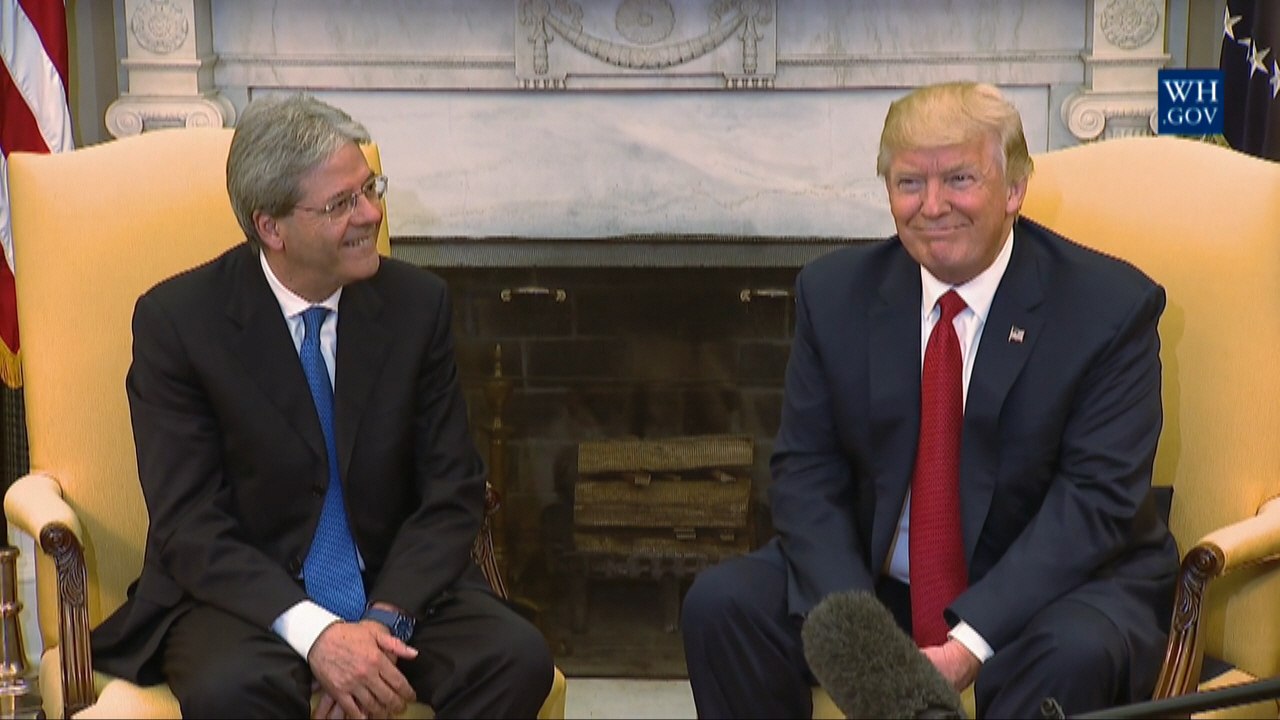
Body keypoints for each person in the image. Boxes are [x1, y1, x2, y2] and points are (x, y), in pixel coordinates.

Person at [681, 81, 1179, 718]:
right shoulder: (834, 295)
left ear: (1014, 189)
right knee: (722, 605)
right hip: (880, 586)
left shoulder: (1108, 308)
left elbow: (1094, 503)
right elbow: (806, 474)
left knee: (1071, 654)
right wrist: (861, 643)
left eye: (961, 179)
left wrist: (971, 640)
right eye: (909, 183)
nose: (933, 206)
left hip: (1052, 585)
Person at [90, 93, 554, 719]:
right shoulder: (180, 323)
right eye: (341, 204)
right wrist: (319, 636)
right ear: (271, 227)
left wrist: (382, 627)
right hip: (245, 597)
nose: (371, 215)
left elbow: (453, 490)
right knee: (235, 689)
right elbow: (189, 522)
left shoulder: (418, 306)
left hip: (392, 583)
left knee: (514, 658)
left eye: (371, 189)